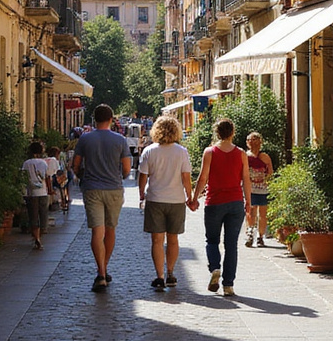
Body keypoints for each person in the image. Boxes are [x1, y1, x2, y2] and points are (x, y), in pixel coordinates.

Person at [72, 104, 131, 292]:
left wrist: (83, 176)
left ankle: (101, 272)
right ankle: (103, 269)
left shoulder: (85, 139)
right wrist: (117, 176)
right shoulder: (120, 140)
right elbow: (127, 170)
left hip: (92, 189)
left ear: (94, 119)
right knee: (111, 229)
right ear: (112, 119)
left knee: (97, 232)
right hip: (113, 188)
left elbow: (76, 165)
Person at [190, 118, 251, 297]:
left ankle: (215, 268)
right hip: (235, 202)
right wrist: (248, 202)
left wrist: (194, 198)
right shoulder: (241, 153)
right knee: (231, 245)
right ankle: (228, 285)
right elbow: (246, 179)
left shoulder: (210, 152)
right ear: (233, 132)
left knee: (212, 240)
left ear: (217, 132)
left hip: (215, 202)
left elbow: (203, 178)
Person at [137, 115, 194, 291]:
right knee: (173, 239)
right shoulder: (181, 152)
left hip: (155, 199)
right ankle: (170, 272)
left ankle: (159, 276)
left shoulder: (149, 151)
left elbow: (143, 176)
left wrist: (141, 196)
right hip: (176, 200)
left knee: (156, 240)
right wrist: (189, 196)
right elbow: (186, 177)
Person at [244, 131, 274, 248]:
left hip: (263, 189)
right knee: (251, 212)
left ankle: (260, 236)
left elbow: (270, 171)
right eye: (251, 140)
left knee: (262, 213)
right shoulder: (246, 156)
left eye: (255, 140)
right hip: (250, 189)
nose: (253, 142)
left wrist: (265, 180)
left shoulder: (265, 157)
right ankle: (250, 234)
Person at [21, 141, 52, 250]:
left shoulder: (26, 163)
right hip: (42, 192)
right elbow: (47, 178)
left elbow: (23, 178)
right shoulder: (43, 163)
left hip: (31, 193)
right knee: (43, 215)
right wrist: (50, 190)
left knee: (33, 216)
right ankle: (41, 235)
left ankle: (36, 238)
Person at [48, 146, 69, 211]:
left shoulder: (46, 159)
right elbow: (58, 171)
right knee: (63, 184)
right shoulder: (54, 160)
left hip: (48, 177)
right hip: (53, 178)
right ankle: (64, 203)